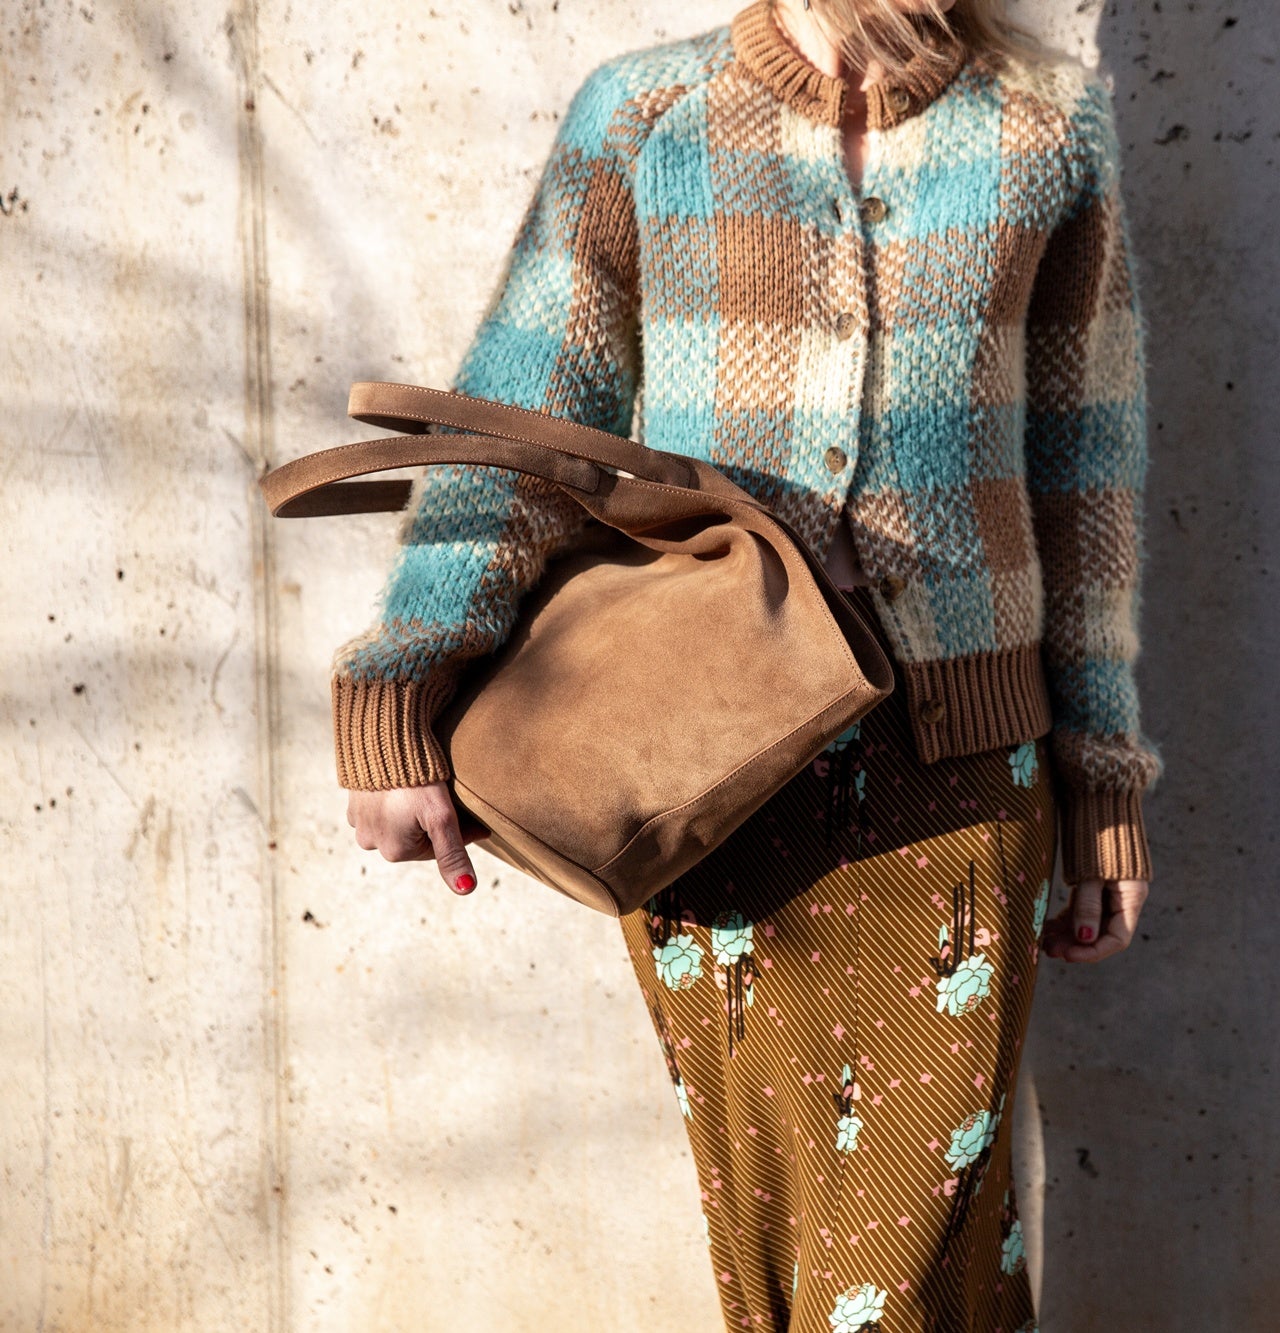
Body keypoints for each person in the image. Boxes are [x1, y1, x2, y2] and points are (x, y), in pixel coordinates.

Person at [334, 1, 1159, 1326]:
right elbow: (535, 417)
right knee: (789, 1274)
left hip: (954, 782)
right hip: (703, 780)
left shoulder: (1046, 131)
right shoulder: (648, 117)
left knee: (899, 1278)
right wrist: (401, 685)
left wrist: (1102, 782)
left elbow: (1086, 476)